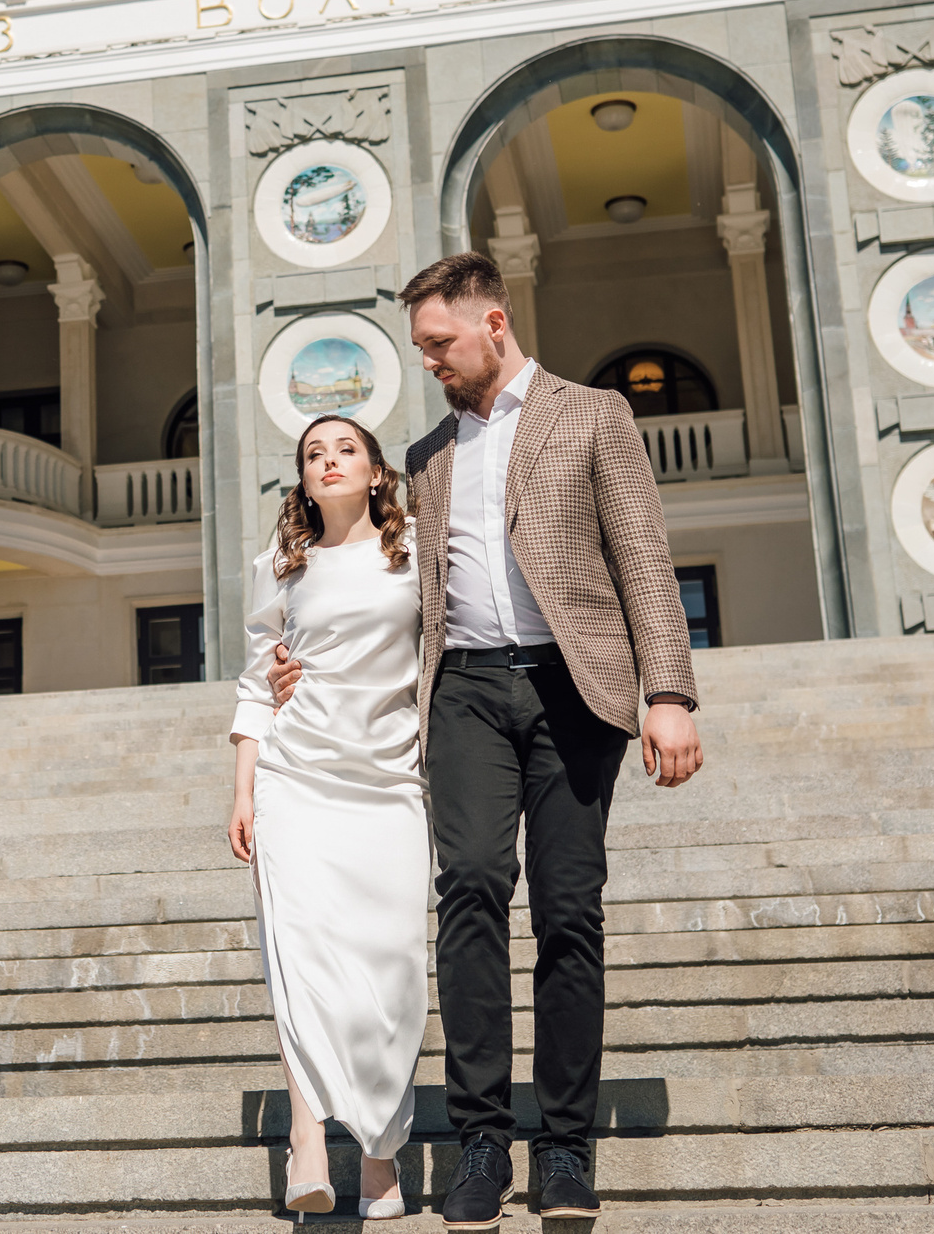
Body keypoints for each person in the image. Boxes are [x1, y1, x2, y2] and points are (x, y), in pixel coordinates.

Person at [269, 252, 703, 1229]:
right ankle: (478, 1139)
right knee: (467, 887)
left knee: (568, 909)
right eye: (421, 347)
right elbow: (376, 577)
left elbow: (643, 555)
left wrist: (668, 693)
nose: (428, 362)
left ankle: (564, 1145)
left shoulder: (593, 415)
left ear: (492, 324)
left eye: (438, 343)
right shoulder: (427, 454)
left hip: (572, 689)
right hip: (463, 691)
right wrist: (299, 665)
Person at [229, 415, 425, 1221]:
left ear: (377, 471)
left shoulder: (416, 552)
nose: (330, 461)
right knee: (300, 955)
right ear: (303, 479)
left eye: (346, 449)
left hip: (391, 780)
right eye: (315, 454)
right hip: (296, 777)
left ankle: (380, 1150)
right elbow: (255, 681)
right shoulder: (280, 564)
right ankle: (306, 1138)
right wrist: (243, 790)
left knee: (393, 968)